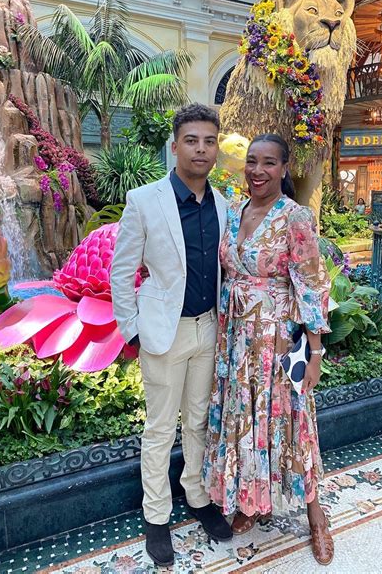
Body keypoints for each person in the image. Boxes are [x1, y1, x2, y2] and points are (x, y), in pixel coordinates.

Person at [203, 134, 334, 566]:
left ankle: (316, 515)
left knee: (293, 421)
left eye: (269, 163)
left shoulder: (295, 216)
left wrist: (314, 353)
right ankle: (252, 500)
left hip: (276, 342)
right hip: (236, 340)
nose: (257, 171)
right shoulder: (235, 211)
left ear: (283, 168)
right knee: (245, 418)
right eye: (252, 162)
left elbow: (311, 285)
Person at [111, 104, 232, 567]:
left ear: (216, 148)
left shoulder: (224, 205)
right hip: (164, 332)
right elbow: (122, 271)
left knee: (198, 422)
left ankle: (196, 495)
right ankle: (156, 515)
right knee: (161, 428)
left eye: (209, 141)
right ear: (175, 145)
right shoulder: (145, 200)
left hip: (209, 329)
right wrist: (132, 331)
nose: (201, 149)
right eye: (191, 140)